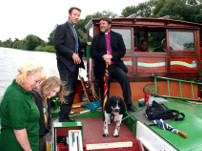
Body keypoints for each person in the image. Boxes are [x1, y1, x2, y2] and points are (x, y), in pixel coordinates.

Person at [90, 17, 137, 112]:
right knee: (104, 86)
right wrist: (104, 57)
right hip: (102, 67)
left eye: (103, 23)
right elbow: (93, 52)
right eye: (100, 24)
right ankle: (106, 108)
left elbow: (122, 51)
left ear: (109, 25)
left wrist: (111, 56)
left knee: (124, 78)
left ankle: (129, 104)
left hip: (115, 65)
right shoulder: (96, 38)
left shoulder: (118, 36)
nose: (101, 25)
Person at [54, 7, 91, 122]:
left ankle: (65, 115)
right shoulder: (62, 28)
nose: (77, 17)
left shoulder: (73, 30)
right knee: (67, 91)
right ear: (69, 15)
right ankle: (63, 117)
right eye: (75, 14)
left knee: (72, 90)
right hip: (65, 65)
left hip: (74, 66)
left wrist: (86, 43)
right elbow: (58, 45)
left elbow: (76, 45)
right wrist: (72, 54)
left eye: (78, 15)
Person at [0, 61, 46, 151]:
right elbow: (19, 129)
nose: (37, 85)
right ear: (26, 75)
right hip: (17, 146)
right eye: (36, 81)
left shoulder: (23, 91)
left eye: (39, 82)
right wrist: (28, 149)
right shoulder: (16, 97)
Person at [31, 76, 67, 151]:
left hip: (41, 135)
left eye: (56, 92)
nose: (54, 95)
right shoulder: (34, 97)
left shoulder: (46, 98)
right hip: (34, 137)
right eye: (53, 91)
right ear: (47, 86)